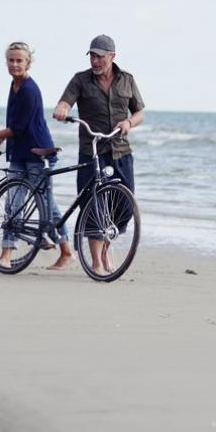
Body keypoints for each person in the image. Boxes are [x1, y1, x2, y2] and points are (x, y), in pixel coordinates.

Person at [0, 41, 73, 270]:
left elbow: (19, 128)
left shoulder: (29, 90)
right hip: (19, 151)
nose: (15, 64)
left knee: (47, 205)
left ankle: (67, 251)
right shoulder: (14, 85)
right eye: (11, 60)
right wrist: (0, 139)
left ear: (28, 63)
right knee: (13, 203)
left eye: (19, 60)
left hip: (38, 152)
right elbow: (14, 122)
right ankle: (6, 256)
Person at [52, 34, 145, 276]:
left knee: (124, 205)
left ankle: (106, 250)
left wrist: (129, 122)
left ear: (112, 56)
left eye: (99, 56)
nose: (95, 61)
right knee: (94, 206)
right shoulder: (81, 80)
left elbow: (140, 113)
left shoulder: (127, 80)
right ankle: (96, 262)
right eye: (92, 56)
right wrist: (62, 108)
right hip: (92, 151)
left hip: (121, 151)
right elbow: (65, 102)